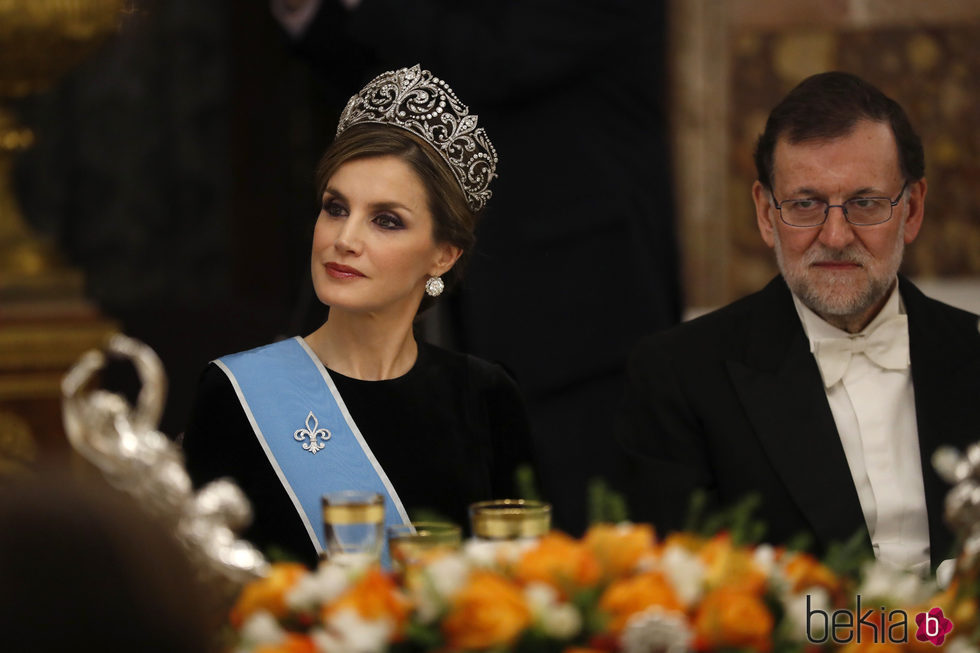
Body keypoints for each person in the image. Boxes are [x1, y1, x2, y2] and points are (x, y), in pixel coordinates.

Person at [270, 0, 682, 534]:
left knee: (585, 550)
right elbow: (403, 85)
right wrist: (310, 15)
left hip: (582, 315)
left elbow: (491, 56)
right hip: (472, 302)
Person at [618, 71, 980, 574]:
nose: (834, 236)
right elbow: (681, 601)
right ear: (767, 215)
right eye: (805, 205)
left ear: (912, 209)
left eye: (865, 203)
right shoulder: (678, 376)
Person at [183, 65, 533, 566]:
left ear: (443, 255)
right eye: (336, 208)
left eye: (386, 220)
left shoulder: (487, 398)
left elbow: (531, 588)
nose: (344, 239)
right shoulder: (235, 392)